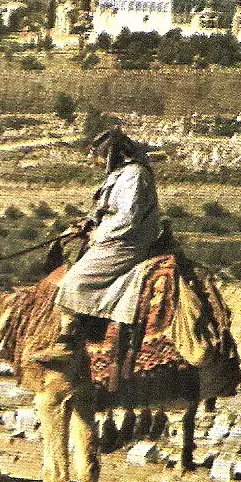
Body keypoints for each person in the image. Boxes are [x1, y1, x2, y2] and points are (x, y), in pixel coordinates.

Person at [49, 126, 163, 357]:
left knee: (74, 282)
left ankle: (69, 340)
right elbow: (105, 210)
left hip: (127, 242)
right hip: (114, 235)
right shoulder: (120, 175)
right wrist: (86, 224)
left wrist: (97, 235)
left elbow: (127, 218)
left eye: (99, 157)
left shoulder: (135, 175)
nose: (96, 162)